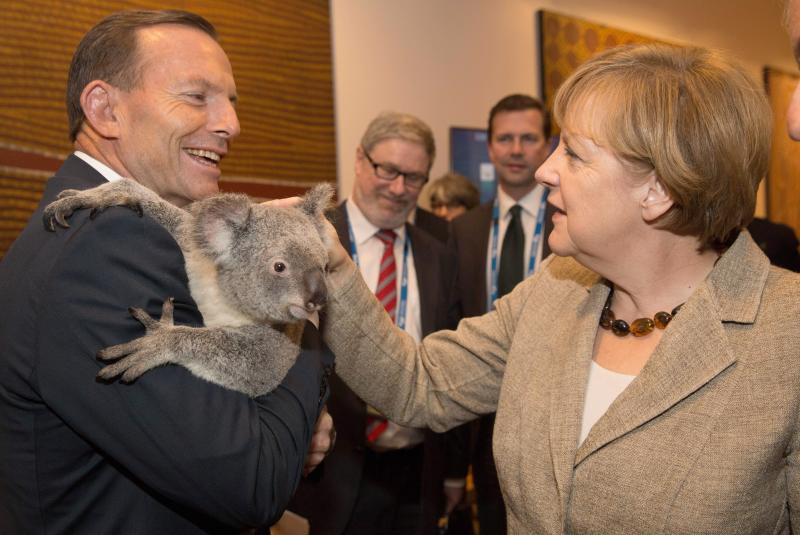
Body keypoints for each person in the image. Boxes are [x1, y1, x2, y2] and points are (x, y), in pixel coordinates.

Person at [319, 43, 800, 533]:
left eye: (573, 153)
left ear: (658, 191)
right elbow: (419, 383)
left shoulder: (786, 337)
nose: (544, 170)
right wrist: (329, 266)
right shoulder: (554, 288)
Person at [0, 10, 333, 534]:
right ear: (104, 109)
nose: (231, 124)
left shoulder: (110, 226)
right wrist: (307, 334)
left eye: (230, 102)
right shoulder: (108, 245)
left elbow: (211, 419)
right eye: (197, 97)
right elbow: (251, 480)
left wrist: (284, 426)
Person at [290, 112, 469, 535]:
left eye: (413, 177)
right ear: (359, 160)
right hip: (328, 468)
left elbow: (452, 359)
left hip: (416, 471)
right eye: (387, 169)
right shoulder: (309, 238)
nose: (398, 187)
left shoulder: (440, 254)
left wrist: (453, 470)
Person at [447, 93, 553, 534]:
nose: (515, 150)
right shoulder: (463, 231)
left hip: (552, 415)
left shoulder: (576, 225)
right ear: (489, 147)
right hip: (484, 424)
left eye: (528, 138)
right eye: (505, 139)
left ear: (548, 146)